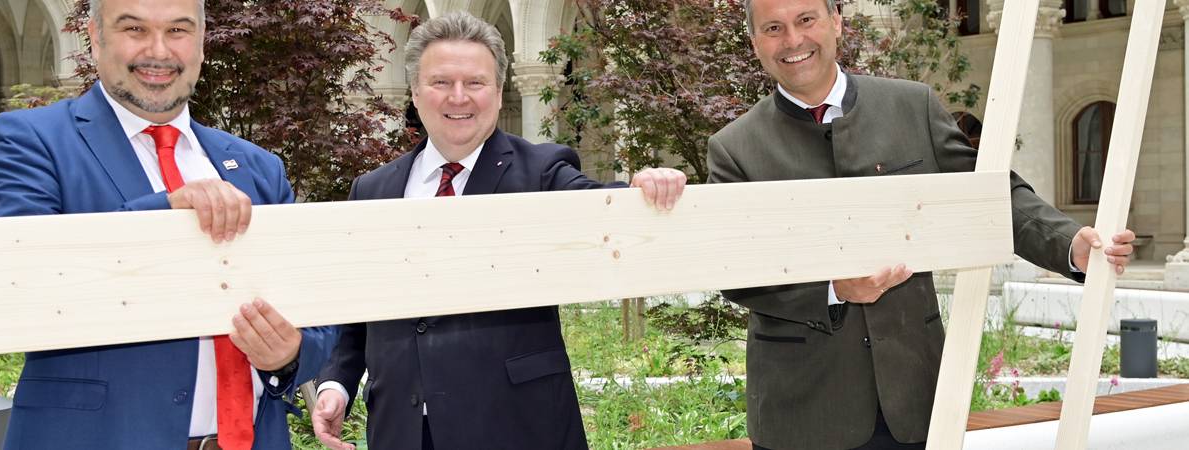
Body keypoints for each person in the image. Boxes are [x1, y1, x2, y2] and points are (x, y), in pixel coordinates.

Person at [706, 0, 1136, 449]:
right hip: (802, 413)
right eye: (773, 28)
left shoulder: (913, 106)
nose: (793, 40)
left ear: (836, 22)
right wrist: (834, 290)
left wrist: (1070, 244)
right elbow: (736, 276)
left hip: (916, 400)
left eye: (806, 20)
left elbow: (988, 200)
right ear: (755, 43)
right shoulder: (733, 149)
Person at [309, 11, 688, 450]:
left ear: (498, 89)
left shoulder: (543, 171)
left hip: (517, 427)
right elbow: (356, 310)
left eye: (475, 82)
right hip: (405, 431)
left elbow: (599, 207)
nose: (459, 97)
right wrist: (335, 385)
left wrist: (641, 189)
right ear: (414, 91)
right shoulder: (373, 190)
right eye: (441, 82)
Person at [0, 0, 335, 448]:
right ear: (95, 36)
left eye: (179, 30)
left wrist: (290, 353)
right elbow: (14, 285)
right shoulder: (30, 140)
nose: (159, 51)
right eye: (134, 29)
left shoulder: (258, 167)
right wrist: (166, 212)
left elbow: (320, 315)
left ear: (202, 42)